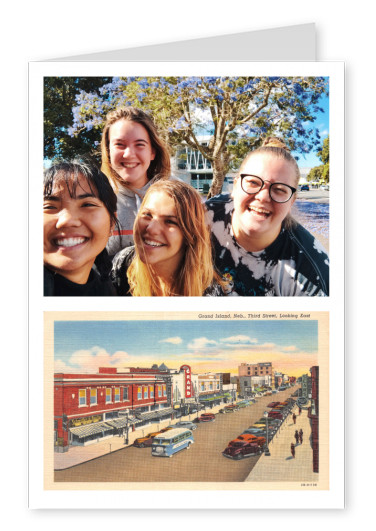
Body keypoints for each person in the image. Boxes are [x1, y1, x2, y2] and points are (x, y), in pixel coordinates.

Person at [206, 137, 329, 296]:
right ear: (235, 186)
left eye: (279, 189)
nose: (263, 197)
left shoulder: (311, 274)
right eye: (253, 183)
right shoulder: (203, 216)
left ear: (292, 201)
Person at [111, 180, 225, 296]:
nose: (152, 229)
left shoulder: (210, 294)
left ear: (190, 234)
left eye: (170, 221)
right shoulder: (122, 264)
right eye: (147, 215)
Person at [101, 106, 171, 257]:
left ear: (152, 152)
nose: (129, 154)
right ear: (108, 151)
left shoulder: (176, 196)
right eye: (119, 144)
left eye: (139, 144)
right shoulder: (95, 199)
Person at [44, 159, 118, 296]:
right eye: (50, 207)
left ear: (112, 224)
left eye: (87, 205)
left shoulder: (107, 291)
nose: (67, 221)